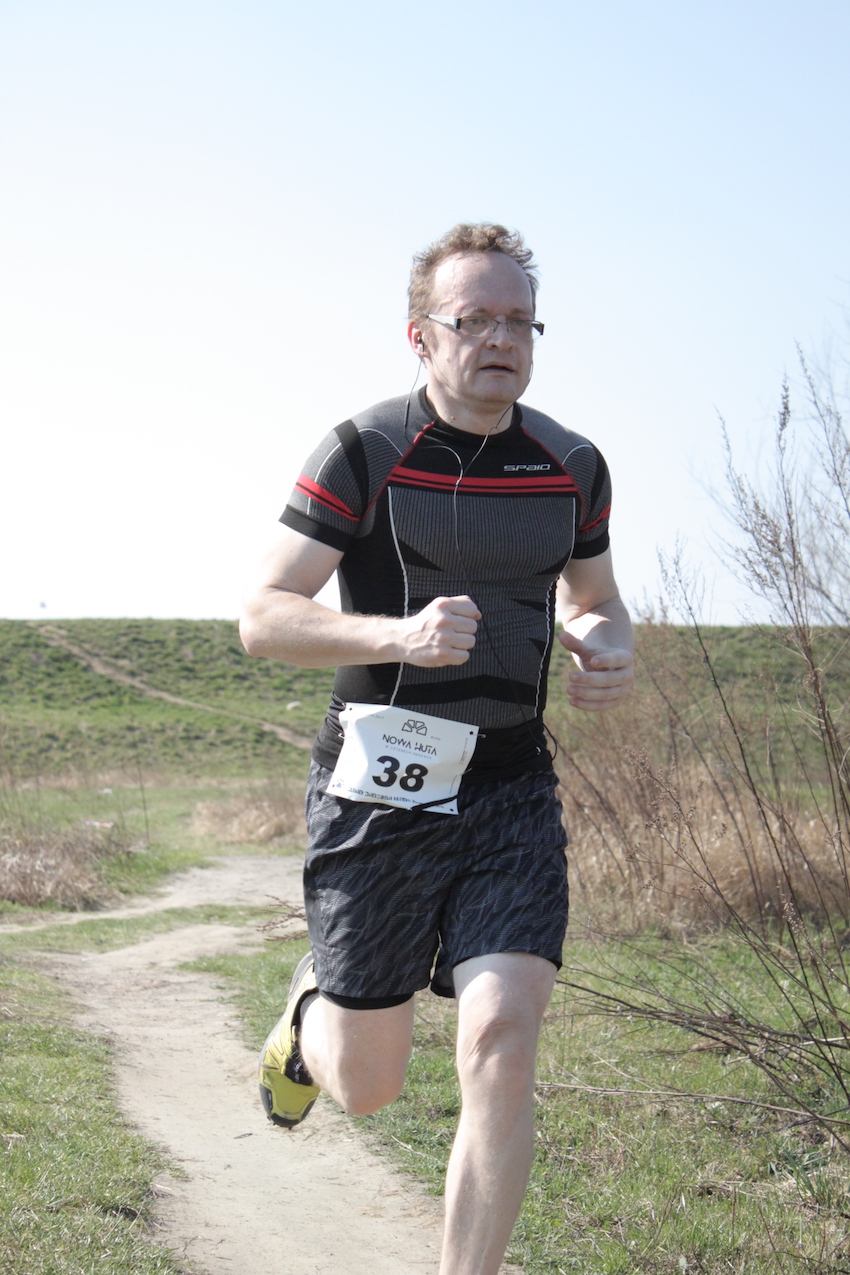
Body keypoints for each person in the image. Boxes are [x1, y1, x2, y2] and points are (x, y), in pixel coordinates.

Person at [240, 223, 633, 1275]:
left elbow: (594, 597)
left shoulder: (571, 465)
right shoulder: (365, 450)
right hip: (382, 780)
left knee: (501, 1037)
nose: (501, 339)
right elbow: (263, 616)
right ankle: (310, 1009)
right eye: (475, 320)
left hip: (510, 785)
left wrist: (607, 643)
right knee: (369, 1087)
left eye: (520, 321)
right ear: (421, 335)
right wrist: (395, 636)